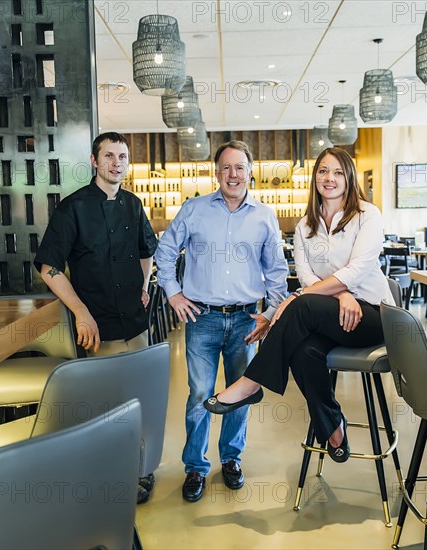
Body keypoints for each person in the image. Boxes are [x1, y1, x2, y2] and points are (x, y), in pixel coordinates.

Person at [204, 146, 395, 463]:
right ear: (315, 177)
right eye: (322, 171)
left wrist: (299, 298)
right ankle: (333, 425)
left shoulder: (367, 215)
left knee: (300, 306)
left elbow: (358, 269)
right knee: (303, 351)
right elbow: (306, 277)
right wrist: (340, 293)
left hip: (373, 315)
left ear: (348, 176)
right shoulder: (306, 226)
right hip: (333, 314)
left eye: (336, 171)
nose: (329, 178)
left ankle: (251, 383)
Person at [155, 140, 288, 502]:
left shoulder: (264, 216)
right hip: (202, 318)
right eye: (226, 167)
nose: (233, 174)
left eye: (239, 167)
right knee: (199, 394)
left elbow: (277, 271)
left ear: (250, 172)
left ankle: (231, 459)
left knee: (240, 394)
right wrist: (173, 293)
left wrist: (270, 313)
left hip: (247, 320)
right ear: (216, 172)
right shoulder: (194, 209)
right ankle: (195, 467)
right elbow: (165, 251)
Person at [34, 131, 158, 501]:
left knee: (141, 398)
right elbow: (49, 267)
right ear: (94, 161)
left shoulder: (134, 205)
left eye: (122, 157)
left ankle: (141, 470)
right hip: (97, 326)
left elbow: (145, 250)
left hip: (135, 322)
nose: (116, 163)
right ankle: (109, 473)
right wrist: (81, 311)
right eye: (109, 156)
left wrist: (145, 282)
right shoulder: (72, 208)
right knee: (107, 404)